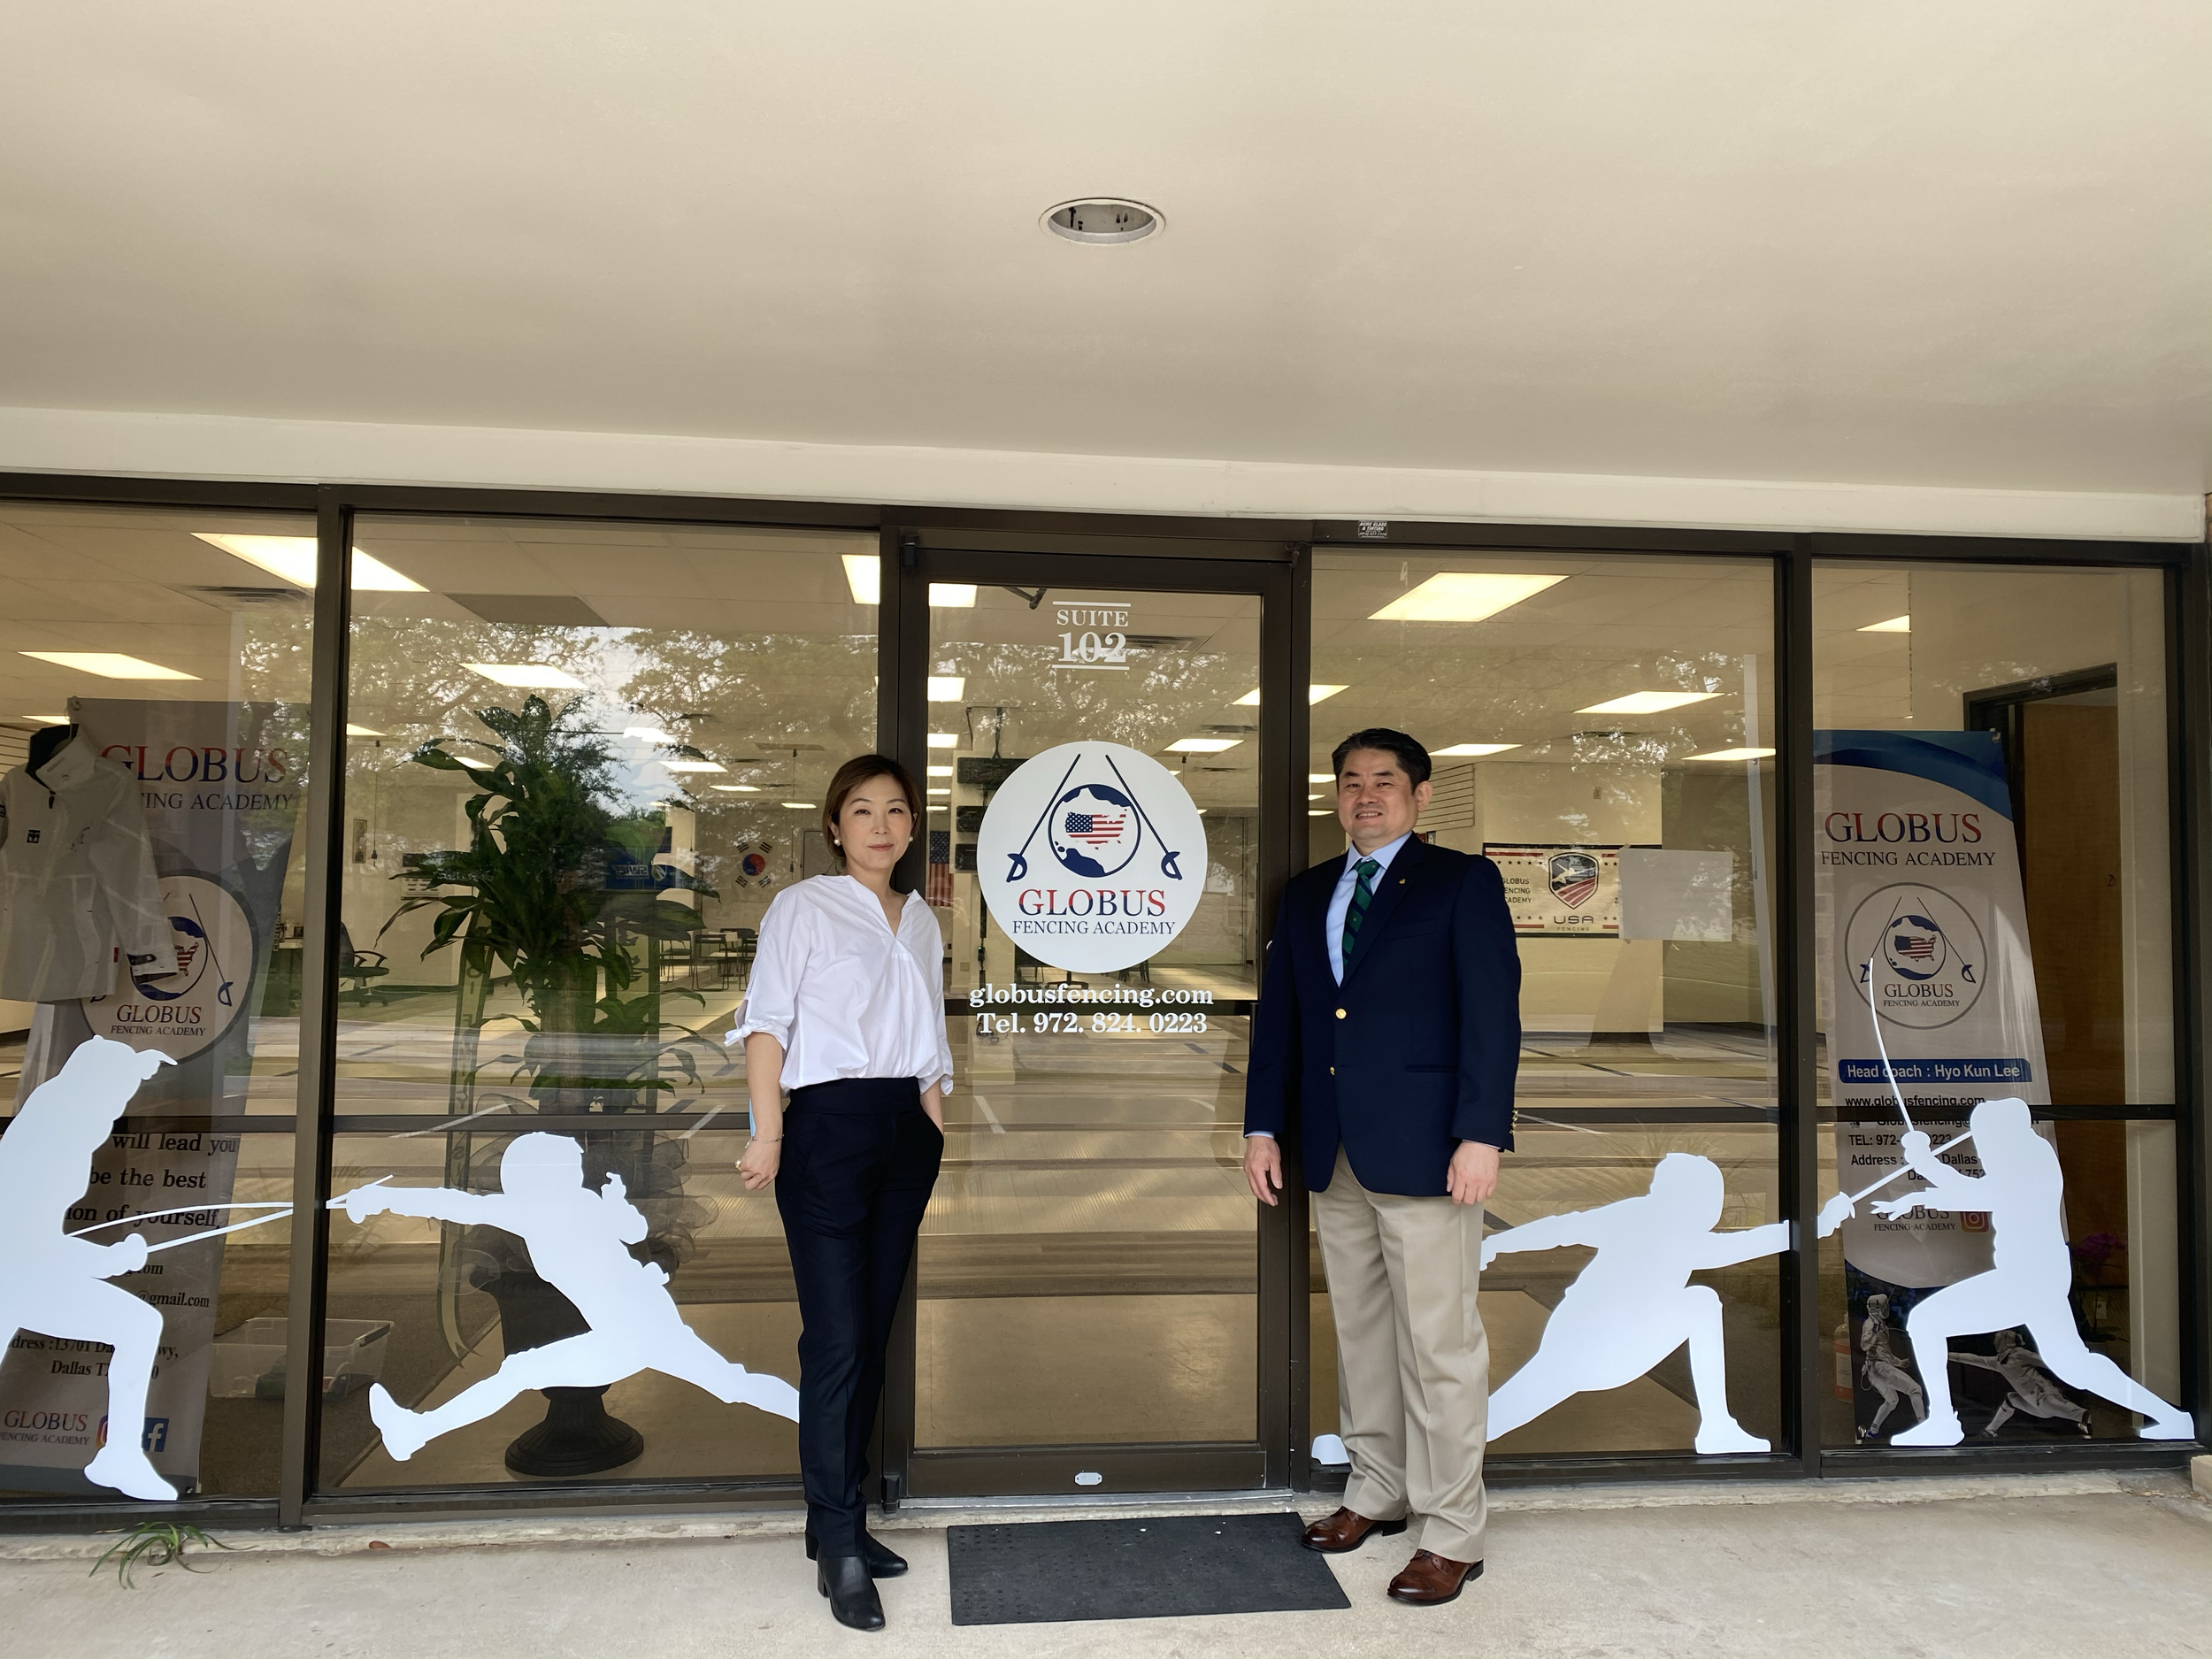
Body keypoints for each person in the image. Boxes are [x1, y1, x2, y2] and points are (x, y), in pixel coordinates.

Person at [1243, 728, 1519, 1608]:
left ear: (1420, 794)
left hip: (1430, 1152)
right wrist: (1262, 1128)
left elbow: (1492, 1015)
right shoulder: (1307, 893)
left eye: (1384, 782)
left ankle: (1453, 1531)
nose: (1365, 796)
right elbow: (1281, 1021)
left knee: (1441, 1347)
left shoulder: (1459, 883)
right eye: (1351, 782)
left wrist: (1482, 1133)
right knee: (1363, 1334)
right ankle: (1376, 1489)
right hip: (1332, 1151)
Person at [726, 755, 952, 1632]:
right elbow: (766, 1023)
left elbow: (928, 1028)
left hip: (904, 1129)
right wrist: (769, 1133)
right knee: (838, 1340)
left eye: (896, 811)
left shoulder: (922, 917)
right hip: (825, 1134)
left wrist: (934, 1123)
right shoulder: (802, 908)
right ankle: (838, 1540)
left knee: (875, 1327)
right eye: (863, 811)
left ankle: (841, 1523)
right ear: (834, 825)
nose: (882, 826)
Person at [339, 1133, 799, 1461]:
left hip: (631, 1328)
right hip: (643, 1320)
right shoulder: (573, 1203)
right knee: (734, 1384)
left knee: (521, 1371)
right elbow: (633, 1231)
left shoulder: (541, 1208)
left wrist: (379, 1200)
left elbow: (454, 1203)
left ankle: (416, 1432)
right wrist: (380, 1200)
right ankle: (827, 1425)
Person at [1480, 1152, 1850, 1454]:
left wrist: (1495, 1244)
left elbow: (1563, 1228)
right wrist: (1818, 1225)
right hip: (1598, 1349)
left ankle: (1718, 1428)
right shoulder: (1673, 1231)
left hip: (1577, 1342)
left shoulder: (1632, 1215)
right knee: (1701, 1303)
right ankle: (1717, 1428)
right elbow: (1745, 1244)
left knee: (1492, 1420)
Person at [1873, 1097, 2191, 1445]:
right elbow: (1982, 1190)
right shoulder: (2029, 1156)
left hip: (2026, 1279)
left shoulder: (2031, 1162)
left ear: (2002, 1135)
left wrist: (1923, 1175)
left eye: (1984, 1140)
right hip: (2038, 1277)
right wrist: (1925, 1167)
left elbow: (1981, 1194)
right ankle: (2173, 1418)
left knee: (1925, 1321)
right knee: (2075, 1366)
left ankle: (1943, 1423)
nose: (1981, 1150)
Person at [0, 1036, 176, 1501]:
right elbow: (28, 1252)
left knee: (139, 1324)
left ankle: (119, 1456)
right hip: (9, 1280)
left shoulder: (56, 1127)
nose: (120, 1108)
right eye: (117, 1095)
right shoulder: (52, 1145)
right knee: (140, 1324)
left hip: (13, 1277)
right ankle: (119, 1456)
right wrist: (109, 1261)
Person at [1951, 1329, 2091, 1438]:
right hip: (2036, 1406)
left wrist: (2072, 1368)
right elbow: (1973, 1359)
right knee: (2011, 1399)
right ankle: (1990, 1431)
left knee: (2080, 1415)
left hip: (2047, 1397)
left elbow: (2047, 1362)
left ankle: (2097, 1431)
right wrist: (1946, 1355)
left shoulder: (2019, 1354)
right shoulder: (1998, 1362)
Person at [1858, 1292, 1927, 1440]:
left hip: (1874, 1371)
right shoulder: (1872, 1324)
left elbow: (1884, 1353)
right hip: (1880, 1369)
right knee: (1915, 1390)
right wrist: (1874, 1333)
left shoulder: (1878, 1324)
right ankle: (1924, 1427)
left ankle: (1873, 1431)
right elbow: (1864, 1345)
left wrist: (1899, 1363)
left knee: (1892, 1401)